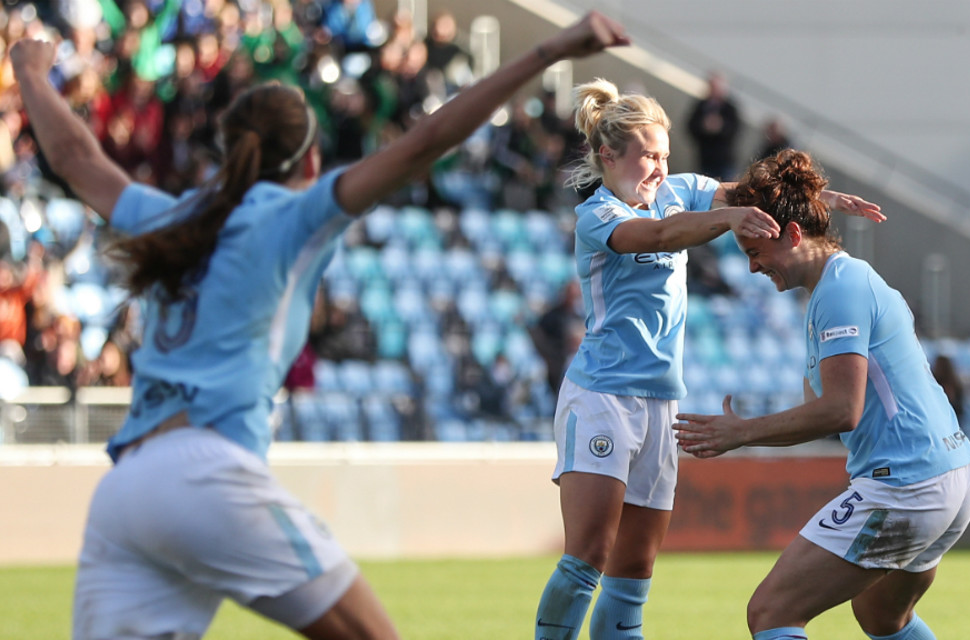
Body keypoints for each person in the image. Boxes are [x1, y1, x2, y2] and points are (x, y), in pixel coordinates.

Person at [12, 11, 629, 640]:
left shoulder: (171, 217)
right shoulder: (294, 215)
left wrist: (30, 71)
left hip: (128, 486)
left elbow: (72, 154)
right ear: (308, 162)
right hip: (206, 472)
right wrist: (548, 52)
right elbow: (424, 142)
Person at [534, 79, 883, 640]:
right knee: (587, 558)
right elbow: (664, 234)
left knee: (634, 571)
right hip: (602, 397)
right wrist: (725, 219)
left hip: (661, 403)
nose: (658, 168)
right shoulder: (597, 216)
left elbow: (749, 193)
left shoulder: (678, 190)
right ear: (608, 155)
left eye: (665, 155)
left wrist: (825, 204)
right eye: (648, 155)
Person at [674, 150, 970, 640]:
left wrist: (742, 433)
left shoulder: (840, 291)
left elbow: (841, 410)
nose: (752, 268)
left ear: (794, 236)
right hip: (953, 474)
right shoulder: (836, 287)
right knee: (882, 616)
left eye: (756, 253)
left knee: (771, 612)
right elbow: (824, 407)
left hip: (908, 485)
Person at [685, 71, 740, 180]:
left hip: (724, 160)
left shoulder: (730, 108)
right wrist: (704, 126)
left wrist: (720, 127)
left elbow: (735, 130)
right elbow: (690, 126)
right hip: (705, 159)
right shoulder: (701, 106)